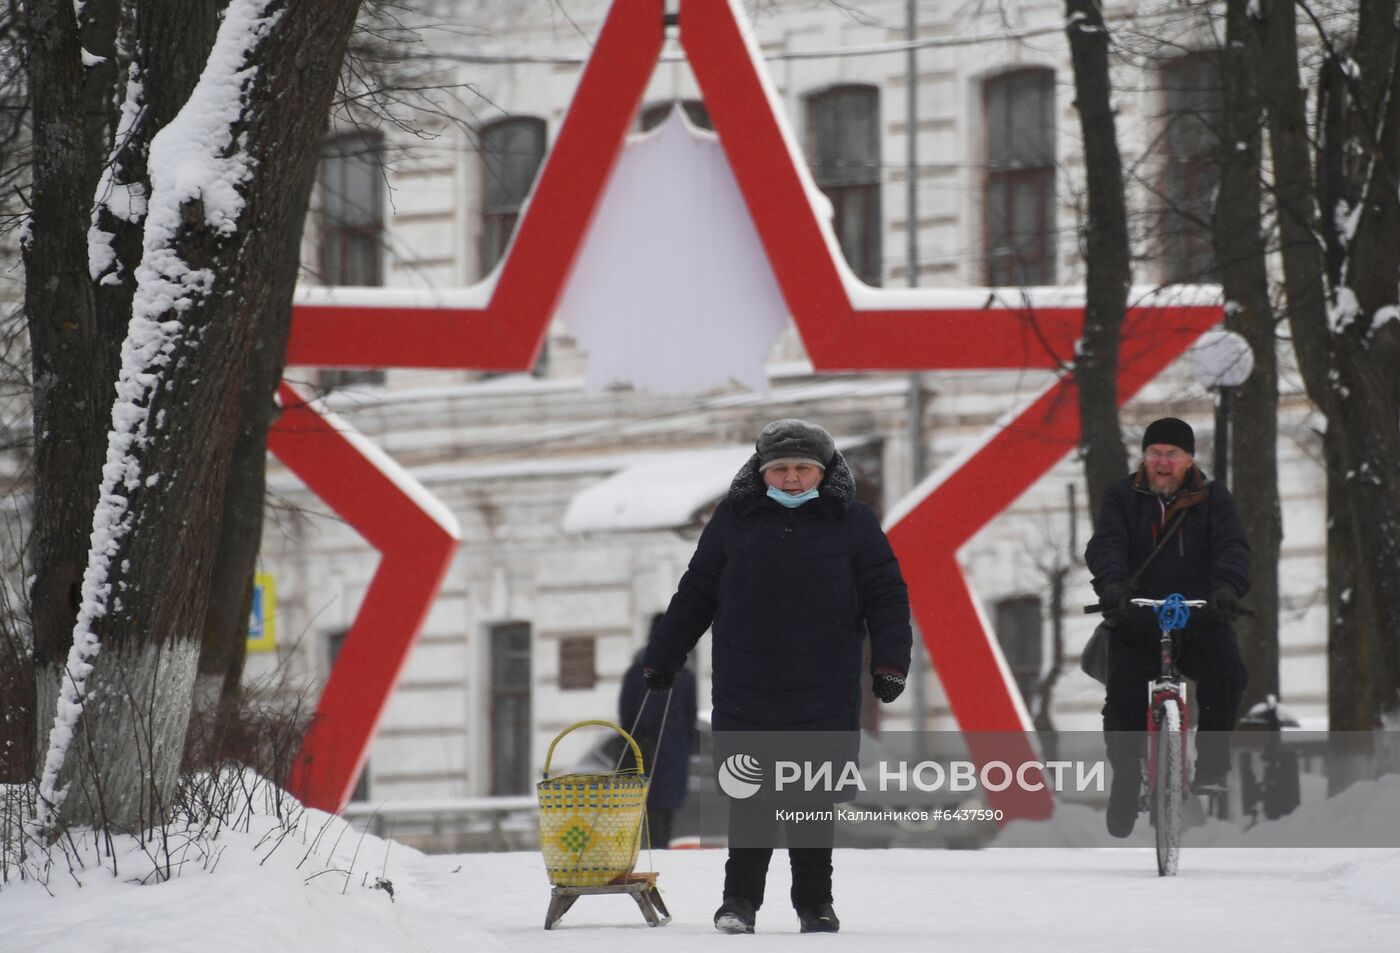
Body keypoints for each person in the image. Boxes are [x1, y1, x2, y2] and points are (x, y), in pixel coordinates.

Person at [641, 418, 912, 935]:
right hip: (748, 681)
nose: (791, 480)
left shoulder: (853, 522)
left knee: (812, 797)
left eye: (802, 470)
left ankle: (815, 904)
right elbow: (696, 593)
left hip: (824, 683)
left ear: (823, 472)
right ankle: (739, 902)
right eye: (781, 469)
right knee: (752, 795)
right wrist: (664, 657)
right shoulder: (733, 520)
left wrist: (890, 664)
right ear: (762, 473)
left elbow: (886, 597)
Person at [1085, 417, 1250, 838]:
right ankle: (1125, 778)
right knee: (1121, 697)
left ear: (1189, 459)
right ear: (1144, 457)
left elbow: (1233, 544)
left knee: (1228, 671)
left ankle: (1212, 763)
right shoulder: (1123, 496)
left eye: (1171, 455)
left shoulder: (1213, 498)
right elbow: (1106, 543)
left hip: (1198, 616)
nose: (1162, 463)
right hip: (1138, 615)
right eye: (1154, 454)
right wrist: (1113, 584)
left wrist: (1227, 587)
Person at [618, 624, 698, 850]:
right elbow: (690, 717)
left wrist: (637, 740)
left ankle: (646, 850)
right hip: (671, 752)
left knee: (643, 806)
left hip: (643, 750)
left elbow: (626, 714)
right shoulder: (684, 676)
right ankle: (659, 848)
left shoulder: (636, 673)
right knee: (664, 811)